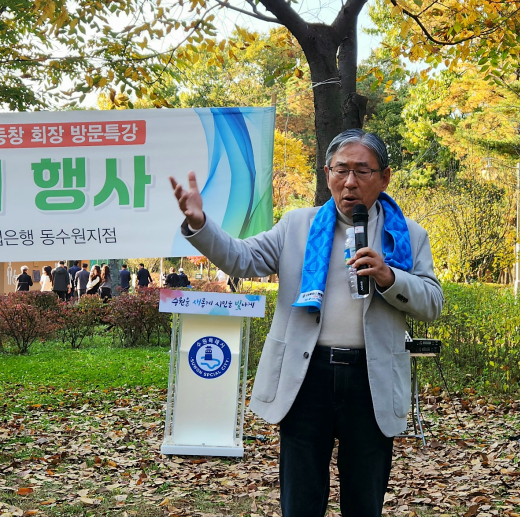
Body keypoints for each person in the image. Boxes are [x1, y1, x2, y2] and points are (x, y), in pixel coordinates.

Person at [170, 129, 444, 517]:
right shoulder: (297, 226)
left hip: (373, 379)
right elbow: (241, 259)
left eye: (362, 171)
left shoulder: (409, 236)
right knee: (300, 499)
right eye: (341, 170)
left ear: (384, 177)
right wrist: (201, 224)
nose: (349, 182)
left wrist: (389, 277)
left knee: (365, 501)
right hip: (306, 374)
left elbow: (432, 302)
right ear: (327, 172)